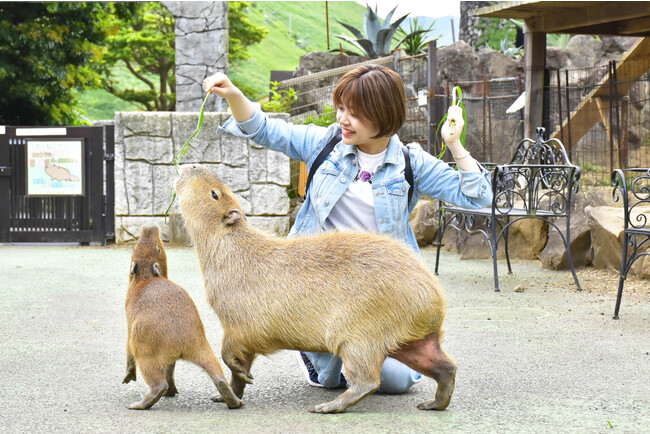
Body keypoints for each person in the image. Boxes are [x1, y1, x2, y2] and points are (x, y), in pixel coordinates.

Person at [203, 64, 492, 394]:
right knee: (329, 379)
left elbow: (478, 196)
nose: (343, 119)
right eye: (341, 108)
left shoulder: (411, 162)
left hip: (379, 289)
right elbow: (263, 128)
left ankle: (349, 351)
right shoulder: (325, 144)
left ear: (383, 114)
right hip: (318, 286)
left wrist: (454, 143)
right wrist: (234, 95)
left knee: (395, 383)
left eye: (354, 113)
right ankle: (317, 349)